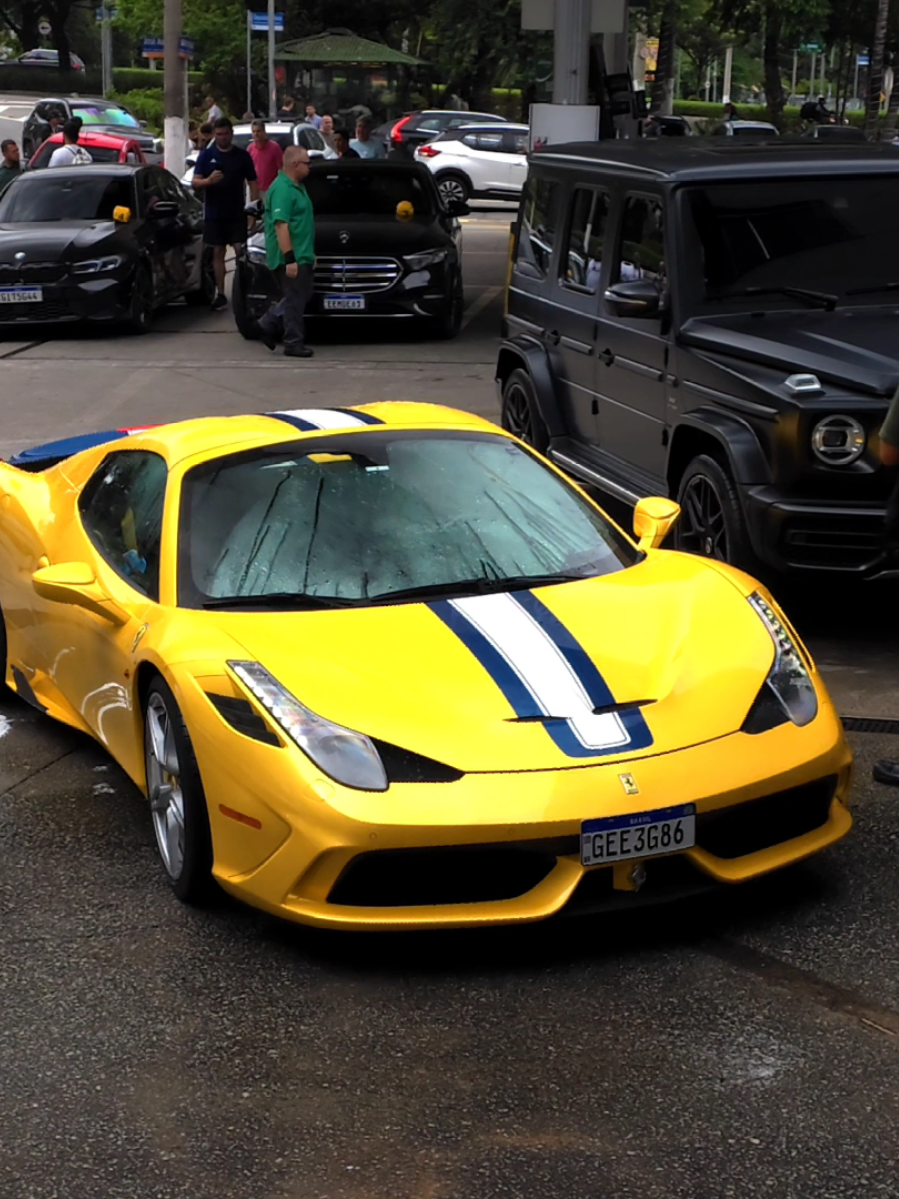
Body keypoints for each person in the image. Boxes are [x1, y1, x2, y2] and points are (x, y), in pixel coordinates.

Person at [192, 116, 259, 312]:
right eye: (218, 134)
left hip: (237, 213)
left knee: (241, 253)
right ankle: (221, 293)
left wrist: (253, 211)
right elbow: (195, 182)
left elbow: (253, 182)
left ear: (231, 134)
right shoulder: (206, 156)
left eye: (225, 134)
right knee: (218, 252)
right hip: (214, 214)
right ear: (214, 135)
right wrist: (208, 181)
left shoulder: (241, 156)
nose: (222, 138)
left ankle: (243, 291)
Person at [258, 145, 315, 359]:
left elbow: (302, 223)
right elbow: (281, 226)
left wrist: (310, 253)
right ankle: (293, 342)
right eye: (307, 163)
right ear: (295, 164)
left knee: (301, 294)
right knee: (294, 299)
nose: (310, 167)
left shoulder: (297, 187)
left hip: (302, 253)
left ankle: (269, 322)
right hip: (291, 255)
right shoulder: (282, 189)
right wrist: (289, 258)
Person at [248, 119, 283, 196]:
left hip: (271, 190)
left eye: (258, 131)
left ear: (264, 132)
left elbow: (281, 169)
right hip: (254, 190)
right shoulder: (250, 149)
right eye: (254, 132)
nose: (256, 134)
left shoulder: (274, 147)